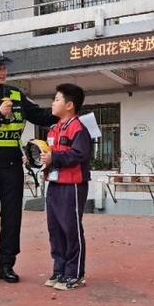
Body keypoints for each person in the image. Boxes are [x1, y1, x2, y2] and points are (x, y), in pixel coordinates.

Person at [0, 48, 57, 287]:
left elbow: (39, 115)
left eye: (5, 68)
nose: (4, 72)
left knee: (12, 217)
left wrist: (64, 112)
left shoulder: (16, 93)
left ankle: (6, 266)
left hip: (12, 164)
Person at [40, 83, 91, 291]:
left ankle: (75, 273)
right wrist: (38, 159)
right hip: (54, 184)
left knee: (71, 229)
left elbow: (80, 155)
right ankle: (59, 269)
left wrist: (55, 157)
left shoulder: (78, 127)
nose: (53, 103)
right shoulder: (53, 128)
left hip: (72, 186)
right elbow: (49, 154)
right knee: (55, 230)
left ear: (69, 105)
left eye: (57, 99)